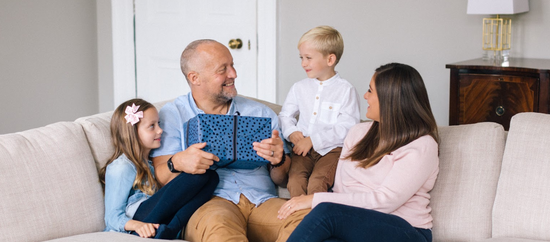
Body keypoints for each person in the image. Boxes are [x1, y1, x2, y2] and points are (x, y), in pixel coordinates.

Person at [277, 63, 440, 242]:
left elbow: (385, 201)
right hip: (355, 225)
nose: (365, 96)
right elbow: (341, 189)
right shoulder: (357, 133)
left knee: (326, 211)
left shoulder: (422, 145)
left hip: (406, 230)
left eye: (370, 91)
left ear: (390, 99)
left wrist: (314, 199)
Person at [149, 39, 292, 242]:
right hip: (209, 204)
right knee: (221, 232)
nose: (233, 74)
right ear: (195, 78)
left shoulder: (260, 113)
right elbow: (160, 177)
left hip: (263, 201)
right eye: (222, 69)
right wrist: (178, 162)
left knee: (311, 220)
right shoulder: (172, 115)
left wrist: (278, 160)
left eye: (232, 65)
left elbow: (282, 179)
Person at [99, 98, 219, 239]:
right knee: (200, 175)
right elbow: (112, 217)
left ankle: (169, 230)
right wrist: (137, 226)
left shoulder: (149, 164)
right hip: (136, 222)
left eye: (159, 124)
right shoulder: (122, 166)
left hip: (155, 220)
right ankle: (159, 230)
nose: (160, 130)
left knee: (212, 177)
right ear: (132, 132)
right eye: (152, 126)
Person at [279, 25, 360, 198]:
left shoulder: (345, 90)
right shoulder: (299, 88)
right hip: (302, 150)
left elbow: (348, 127)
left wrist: (313, 140)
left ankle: (315, 221)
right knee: (294, 182)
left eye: (308, 58)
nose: (303, 63)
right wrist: (291, 132)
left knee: (317, 184)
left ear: (330, 60)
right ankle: (298, 220)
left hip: (330, 151)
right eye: (301, 57)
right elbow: (285, 115)